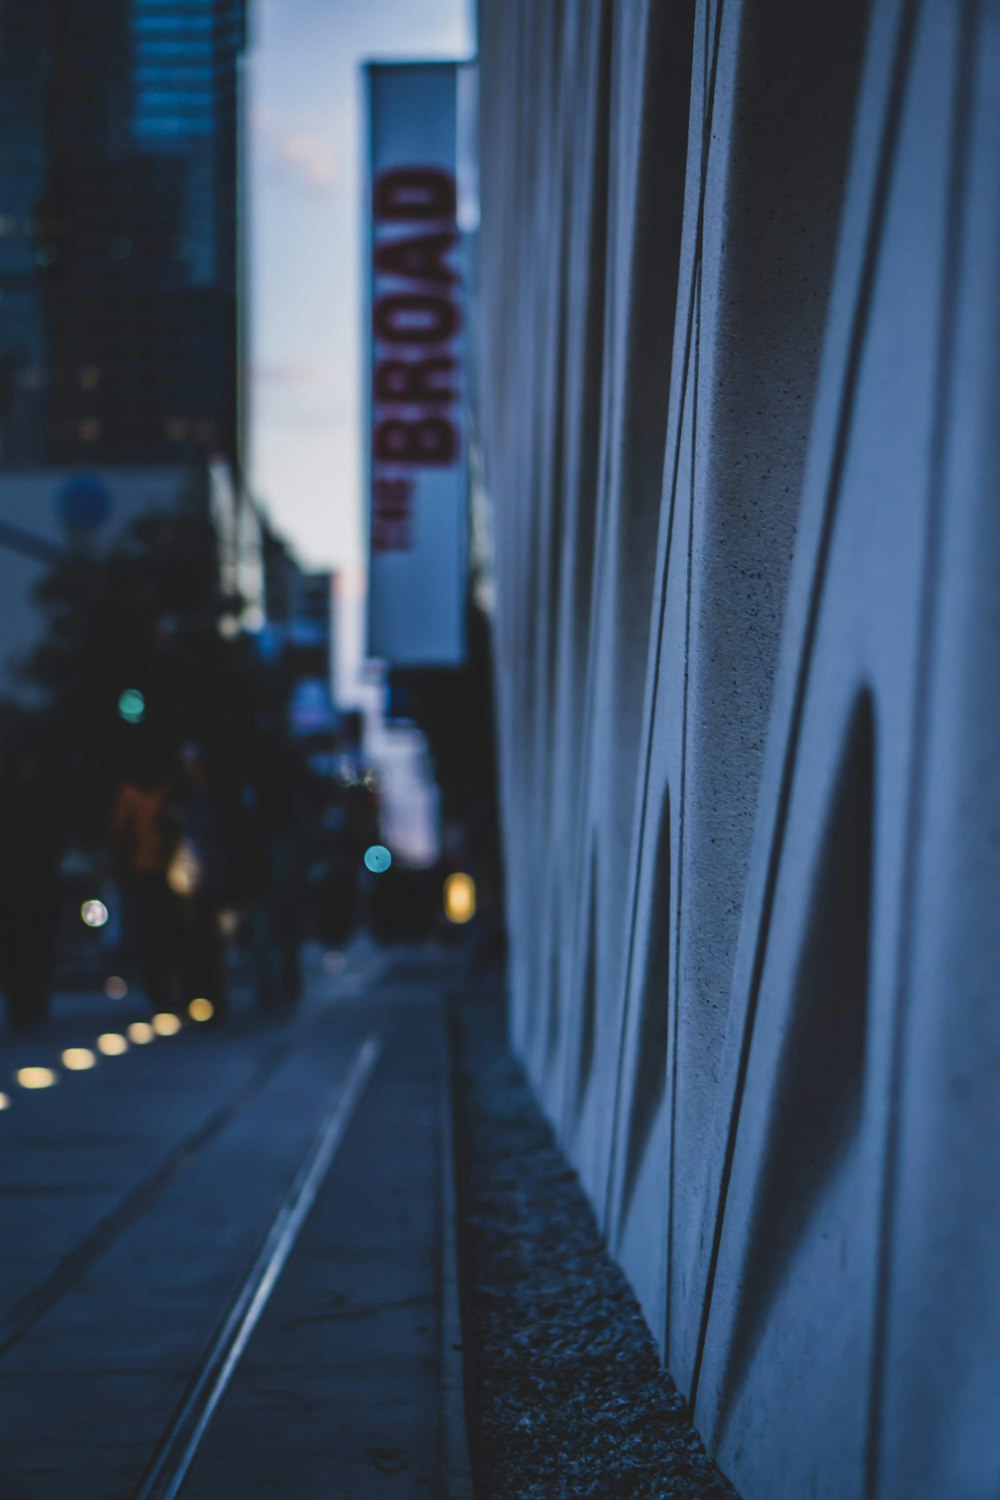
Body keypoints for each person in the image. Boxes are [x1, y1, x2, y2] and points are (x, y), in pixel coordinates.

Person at [0, 740, 68, 1032]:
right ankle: (22, 1004)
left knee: (37, 942)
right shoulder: (12, 793)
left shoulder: (46, 793)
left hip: (37, 877)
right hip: (15, 878)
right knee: (15, 944)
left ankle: (34, 1001)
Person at [110, 743, 182, 1014]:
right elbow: (120, 835)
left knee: (161, 936)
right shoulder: (133, 795)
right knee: (154, 937)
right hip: (146, 874)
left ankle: (170, 990)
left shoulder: (164, 792)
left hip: (163, 875)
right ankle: (161, 993)